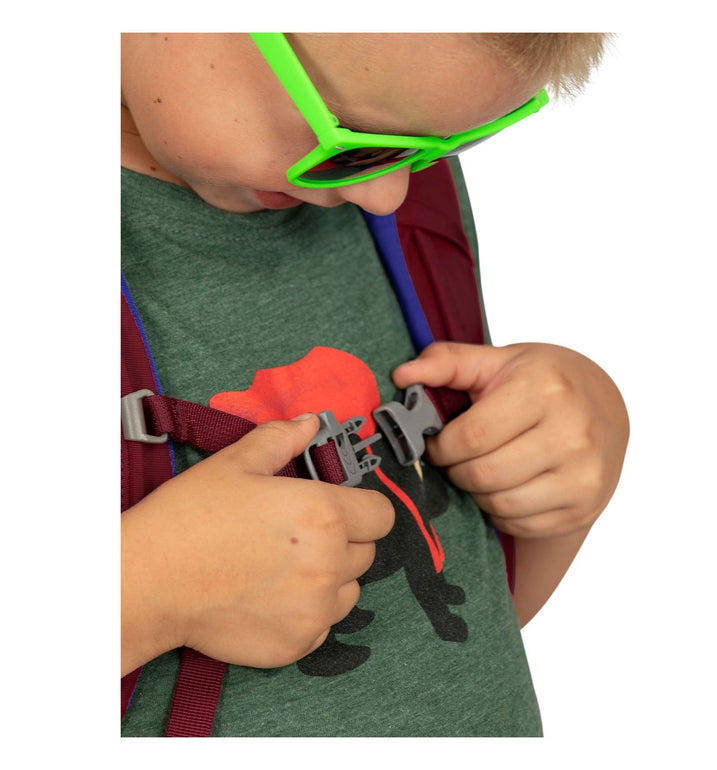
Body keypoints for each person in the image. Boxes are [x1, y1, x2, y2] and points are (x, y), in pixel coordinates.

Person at [120, 32, 629, 737]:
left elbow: (454, 640)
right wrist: (144, 593)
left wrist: (556, 483)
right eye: (350, 133)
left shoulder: (386, 205)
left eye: (433, 150)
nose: (385, 193)